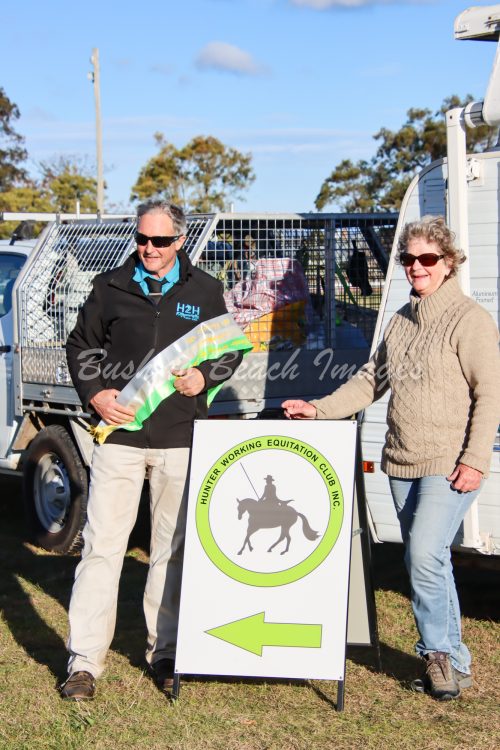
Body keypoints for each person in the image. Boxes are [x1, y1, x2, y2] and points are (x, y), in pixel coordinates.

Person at [283, 216, 500, 701]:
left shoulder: (469, 320)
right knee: (430, 559)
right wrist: (319, 409)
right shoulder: (401, 321)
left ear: (449, 263)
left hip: (450, 461)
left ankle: (435, 654)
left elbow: (490, 395)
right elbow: (370, 381)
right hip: (402, 461)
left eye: (428, 258)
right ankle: (457, 661)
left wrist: (474, 459)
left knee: (423, 554)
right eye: (408, 258)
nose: (417, 266)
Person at [61, 199, 244, 700]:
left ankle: (165, 653)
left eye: (160, 241)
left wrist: (204, 376)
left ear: (180, 241)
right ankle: (83, 663)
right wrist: (95, 394)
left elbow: (229, 349)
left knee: (171, 551)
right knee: (101, 548)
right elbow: (80, 346)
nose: (149, 249)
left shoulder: (205, 289)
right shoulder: (110, 286)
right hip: (118, 439)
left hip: (179, 438)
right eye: (142, 239)